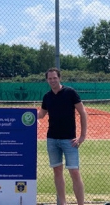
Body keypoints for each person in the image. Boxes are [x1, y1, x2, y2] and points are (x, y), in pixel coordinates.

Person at [38, 67, 88, 205]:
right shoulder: (47, 97)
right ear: (47, 80)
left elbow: (82, 112)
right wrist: (22, 116)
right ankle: (62, 203)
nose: (52, 80)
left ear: (59, 78)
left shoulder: (70, 92)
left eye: (55, 78)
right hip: (52, 140)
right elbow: (41, 115)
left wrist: (82, 136)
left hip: (70, 141)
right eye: (50, 78)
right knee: (57, 172)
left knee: (74, 172)